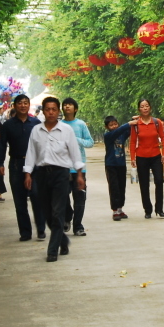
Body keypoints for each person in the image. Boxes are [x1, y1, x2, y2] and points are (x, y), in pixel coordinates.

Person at [23, 97, 84, 262]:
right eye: (48, 109)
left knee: (58, 212)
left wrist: (79, 173)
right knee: (46, 212)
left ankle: (52, 250)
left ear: (58, 112)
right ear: (43, 111)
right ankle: (63, 240)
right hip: (41, 174)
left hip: (61, 174)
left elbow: (74, 152)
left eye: (54, 109)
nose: (51, 112)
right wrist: (28, 173)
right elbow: (31, 153)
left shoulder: (66, 130)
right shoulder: (36, 130)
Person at [0, 94, 46, 241]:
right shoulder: (7, 125)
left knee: (37, 197)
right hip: (16, 164)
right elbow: (1, 146)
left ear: (29, 105)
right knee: (19, 201)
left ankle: (41, 229)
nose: (23, 105)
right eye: (20, 103)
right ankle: (25, 232)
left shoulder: (36, 123)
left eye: (26, 103)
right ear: (15, 105)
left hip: (36, 166)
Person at [60, 97, 94, 236]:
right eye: (65, 105)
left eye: (70, 105)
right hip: (63, 167)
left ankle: (78, 226)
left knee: (80, 198)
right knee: (62, 196)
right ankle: (68, 216)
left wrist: (76, 139)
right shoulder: (59, 125)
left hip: (79, 168)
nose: (67, 107)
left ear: (75, 108)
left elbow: (90, 142)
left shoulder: (80, 125)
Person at [130, 98, 164, 219]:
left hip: (156, 156)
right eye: (142, 106)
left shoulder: (157, 122)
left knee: (159, 181)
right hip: (141, 157)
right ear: (139, 109)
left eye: (147, 106)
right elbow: (132, 142)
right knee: (144, 184)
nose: (145, 108)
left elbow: (163, 138)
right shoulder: (136, 124)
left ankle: (159, 209)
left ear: (150, 108)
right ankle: (148, 210)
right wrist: (132, 158)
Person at [103, 116, 131, 221]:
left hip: (121, 164)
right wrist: (129, 123)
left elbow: (129, 131)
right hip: (111, 165)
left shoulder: (122, 135)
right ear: (107, 127)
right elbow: (122, 129)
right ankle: (114, 210)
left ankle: (120, 208)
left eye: (115, 124)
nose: (114, 126)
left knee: (121, 186)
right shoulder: (108, 136)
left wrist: (136, 120)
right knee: (114, 187)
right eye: (111, 125)